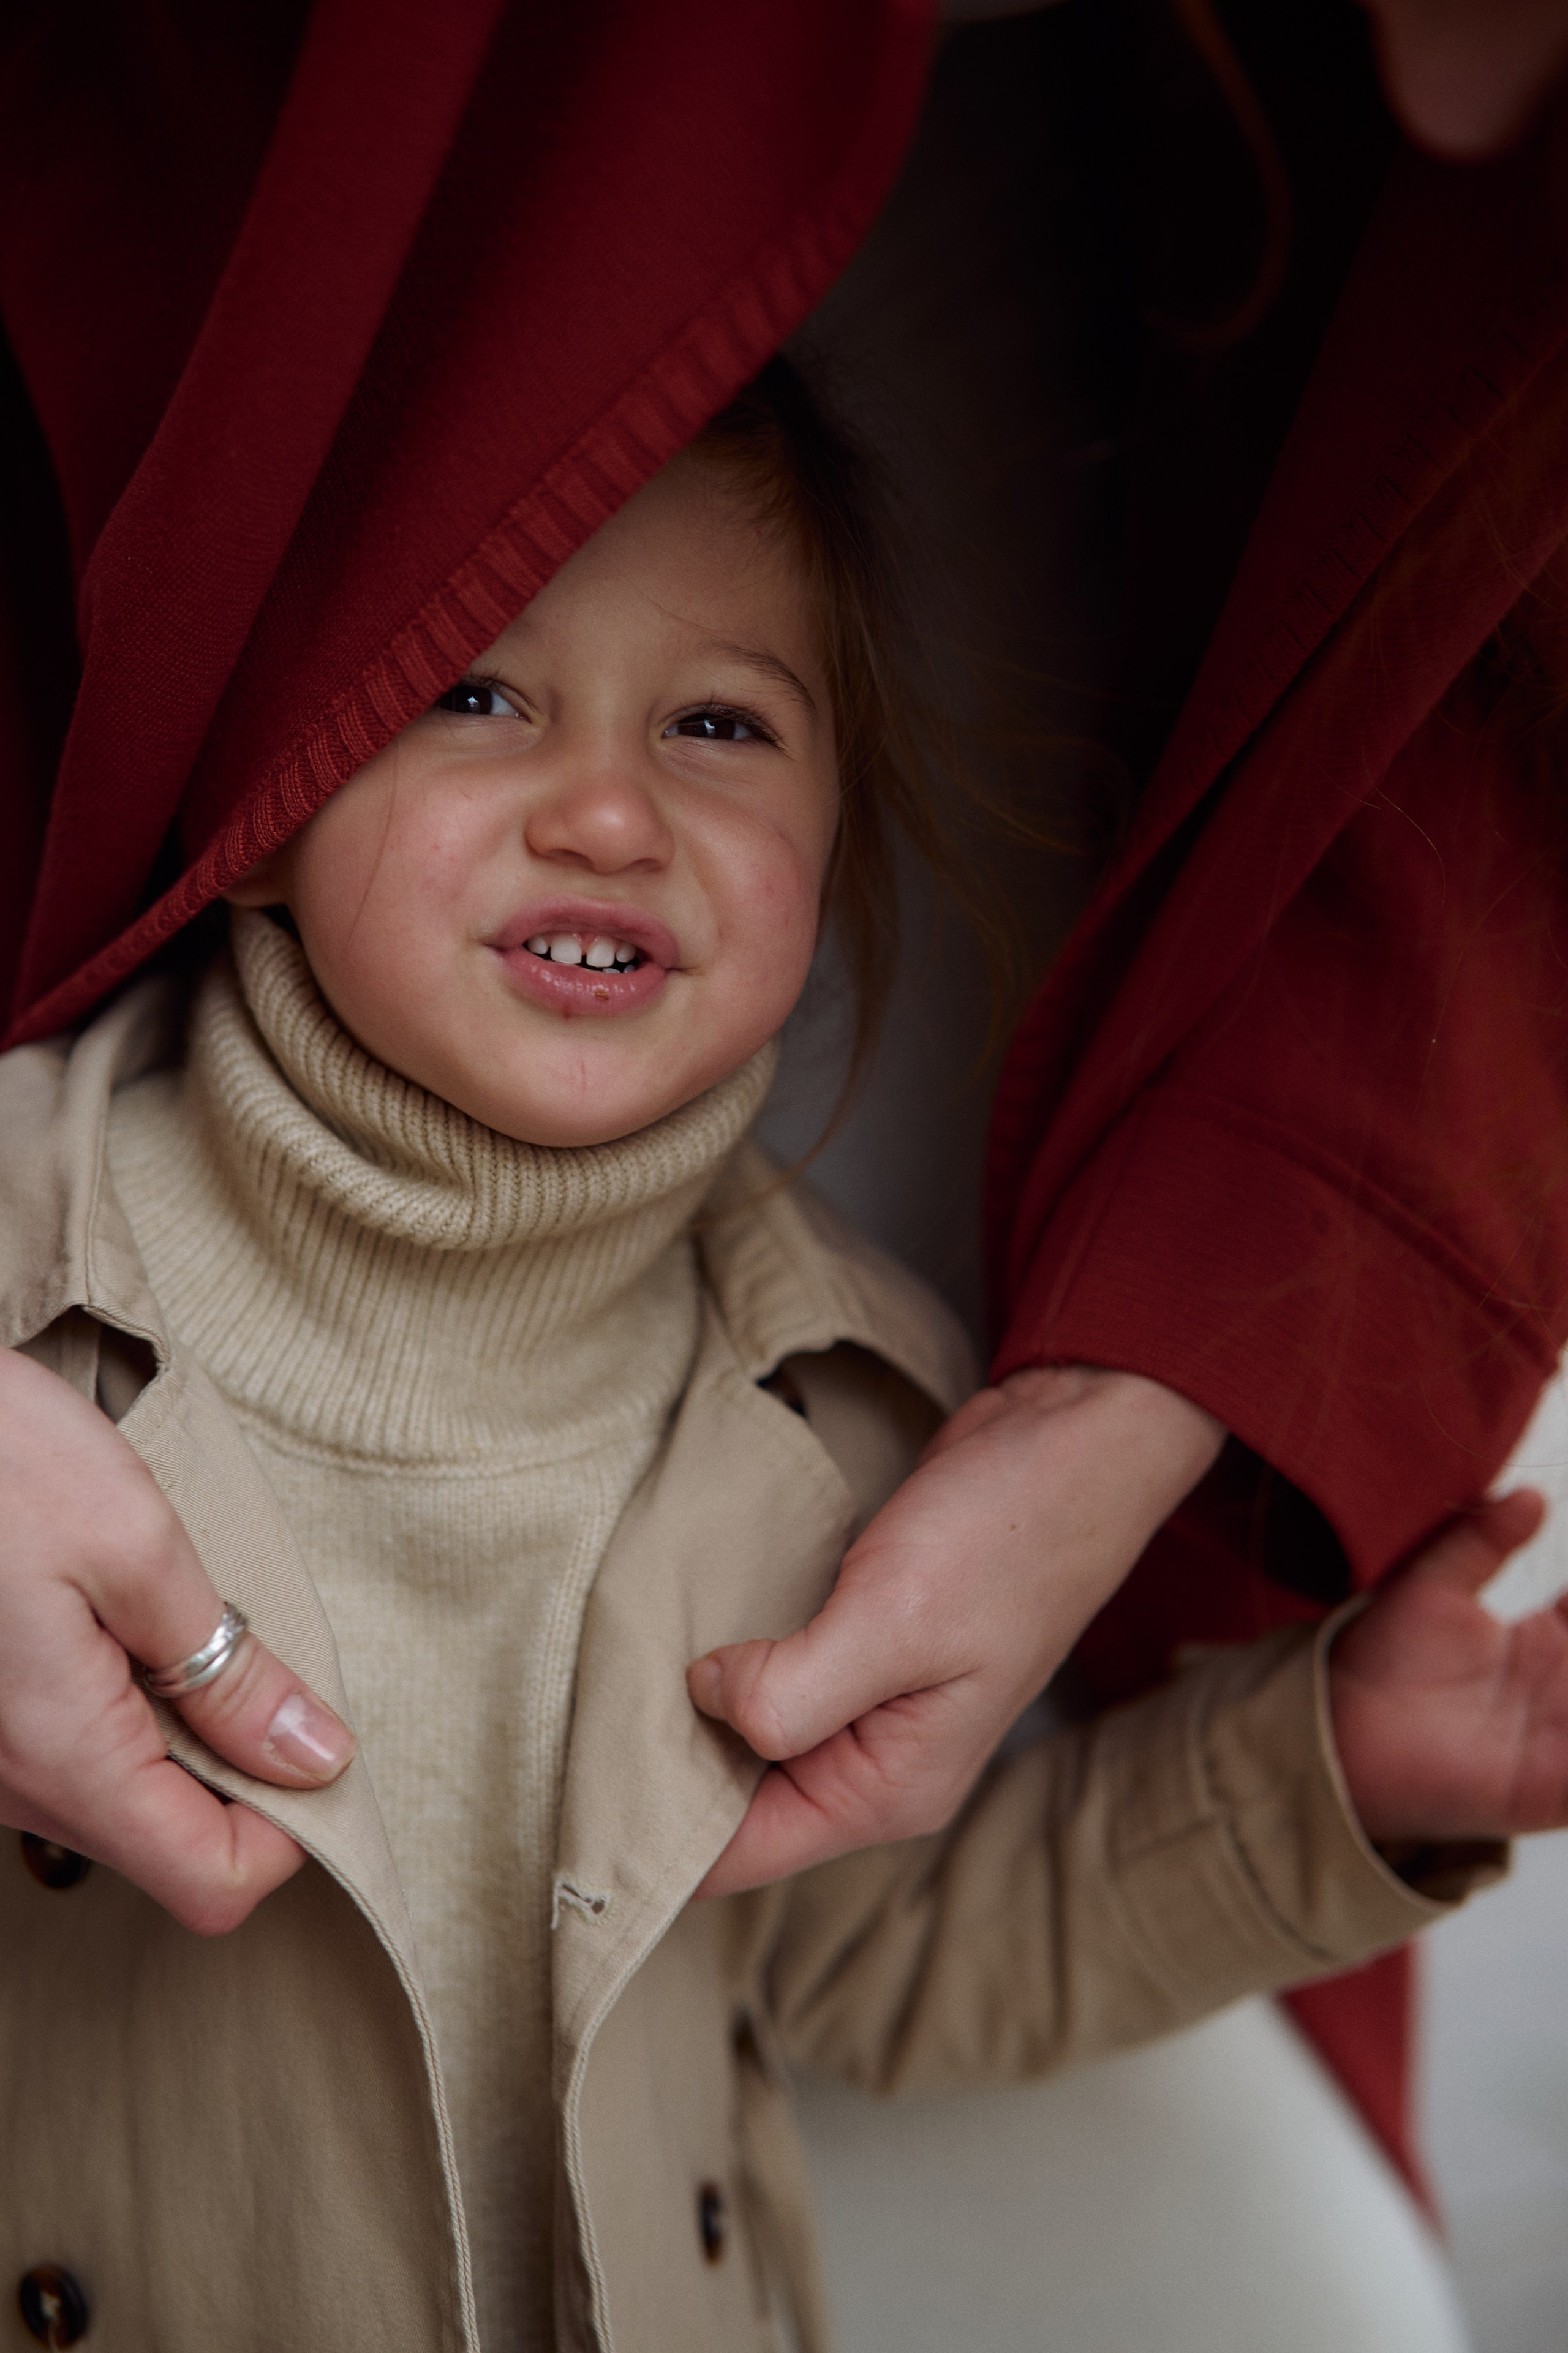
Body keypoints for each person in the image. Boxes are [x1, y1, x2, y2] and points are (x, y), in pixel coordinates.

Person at [4, 361, 1553, 2353]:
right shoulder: (34, 1269)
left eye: (722, 724)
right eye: (473, 690)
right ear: (266, 799)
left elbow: (883, 1949)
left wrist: (1336, 1776)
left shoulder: (833, 1401)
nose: (610, 809)